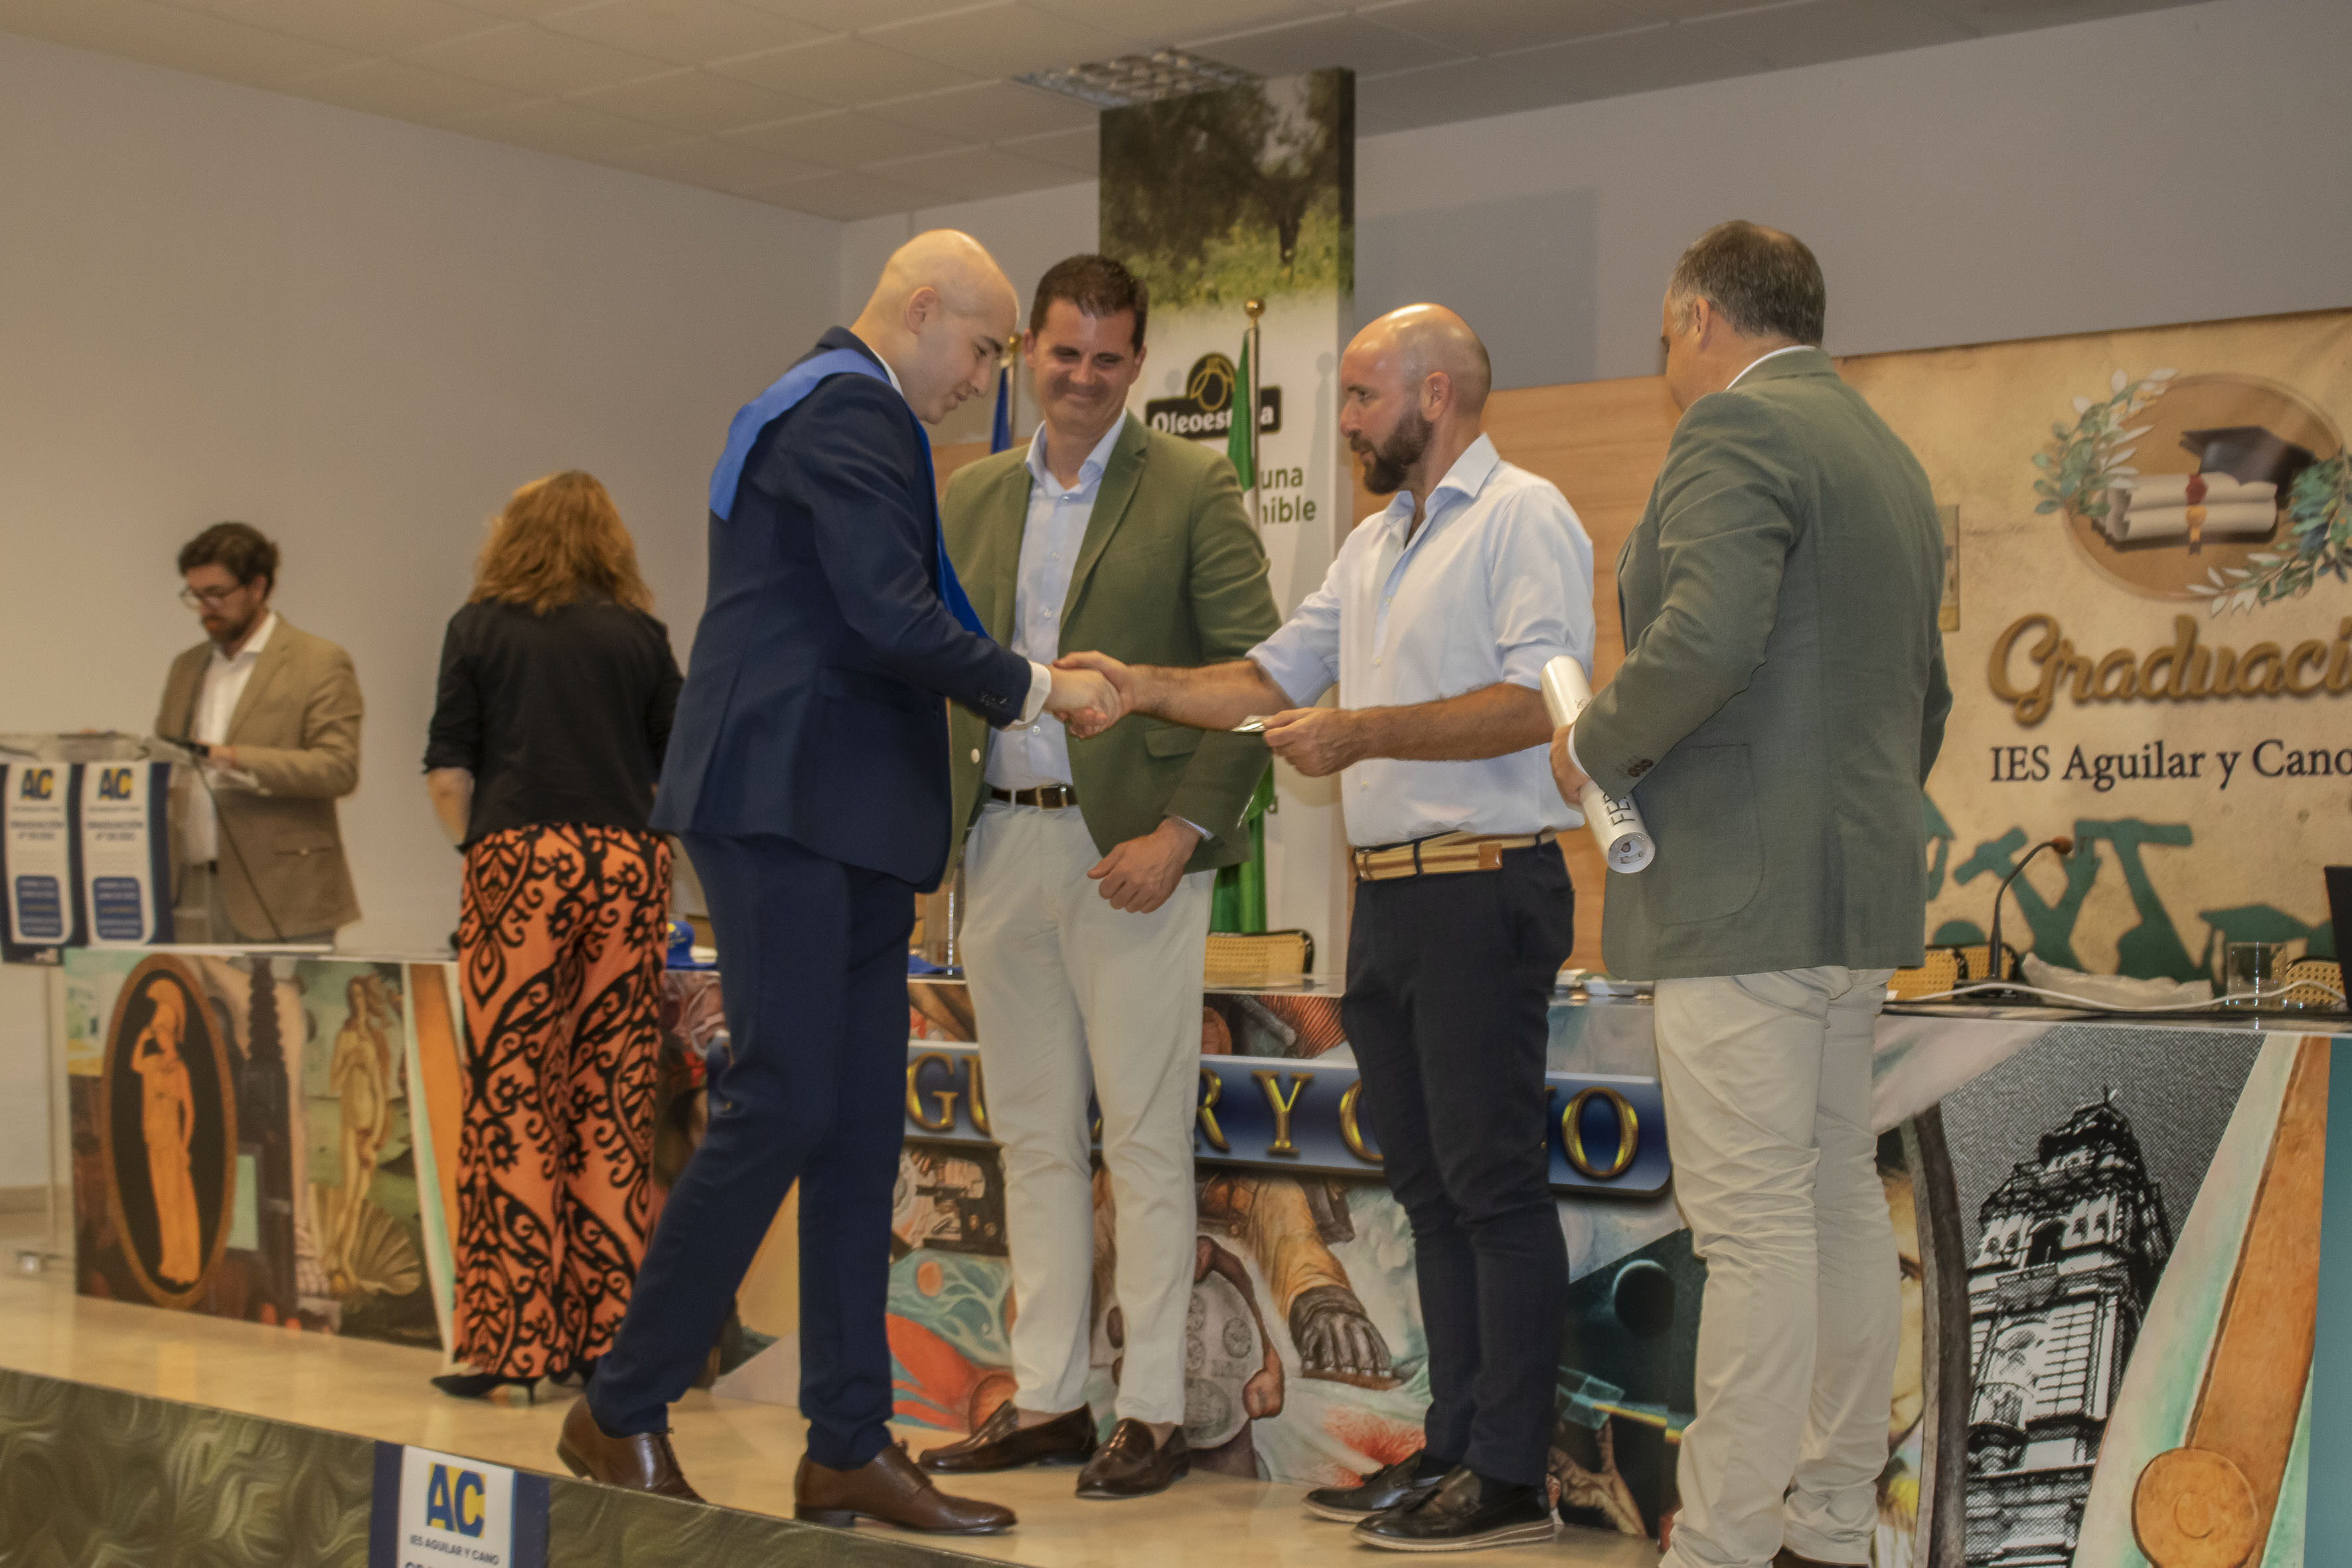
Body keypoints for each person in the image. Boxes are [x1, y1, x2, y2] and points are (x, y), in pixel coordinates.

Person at [556, 231, 1121, 1534]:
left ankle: (847, 1446)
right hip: (787, 804)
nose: (982, 380)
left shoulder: (839, 411)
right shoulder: (845, 410)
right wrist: (1038, 687)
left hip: (843, 816)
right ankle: (619, 1403)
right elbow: (887, 613)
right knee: (783, 1103)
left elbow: (871, 613)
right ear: (920, 310)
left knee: (860, 1132)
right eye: (981, 349)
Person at [1059, 303, 1595, 1553]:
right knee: (1427, 1189)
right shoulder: (1371, 543)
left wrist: (1363, 731)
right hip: (1391, 898)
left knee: (1489, 1185)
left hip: (1483, 882)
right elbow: (1266, 681)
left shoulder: (1523, 515)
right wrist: (1140, 686)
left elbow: (1539, 701)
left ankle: (1509, 1476)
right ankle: (1451, 1449)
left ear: (1434, 395)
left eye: (1361, 396)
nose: (1345, 420)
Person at [1548, 221, 1950, 1568]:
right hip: (1850, 896)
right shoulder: (1885, 457)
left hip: (1737, 898)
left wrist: (1592, 741)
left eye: (1665, 333)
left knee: (1752, 1225)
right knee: (1831, 1199)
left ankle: (1718, 1541)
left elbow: (1706, 637)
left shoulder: (1731, 428)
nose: (1667, 358)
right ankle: (1828, 1522)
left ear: (1698, 317)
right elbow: (1925, 700)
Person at [911, 255, 1280, 1501]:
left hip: (1130, 853)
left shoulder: (1190, 483)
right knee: (1029, 1137)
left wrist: (1181, 834)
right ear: (1028, 351)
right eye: (1062, 353)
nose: (1081, 377)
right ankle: (1049, 1399)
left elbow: (1255, 677)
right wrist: (931, 850)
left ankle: (1155, 1413)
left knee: (1142, 1138)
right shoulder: (968, 494)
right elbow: (934, 669)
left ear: (1137, 365)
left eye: (1106, 358)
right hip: (997, 844)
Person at [421, 471, 682, 1401]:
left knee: (513, 1095)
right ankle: (607, 1343)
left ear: (511, 535)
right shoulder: (641, 637)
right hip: (625, 865)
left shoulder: (478, 628)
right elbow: (677, 770)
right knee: (611, 1098)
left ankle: (511, 1343)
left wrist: (481, 850)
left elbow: (448, 769)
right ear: (611, 542)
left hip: (518, 865)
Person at [156, 522, 361, 945]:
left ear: (257, 587)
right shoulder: (186, 667)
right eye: (195, 596)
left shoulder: (318, 661)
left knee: (286, 993)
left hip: (286, 892)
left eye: (216, 594)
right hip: (191, 891)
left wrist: (232, 758)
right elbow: (168, 759)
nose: (205, 608)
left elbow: (338, 768)